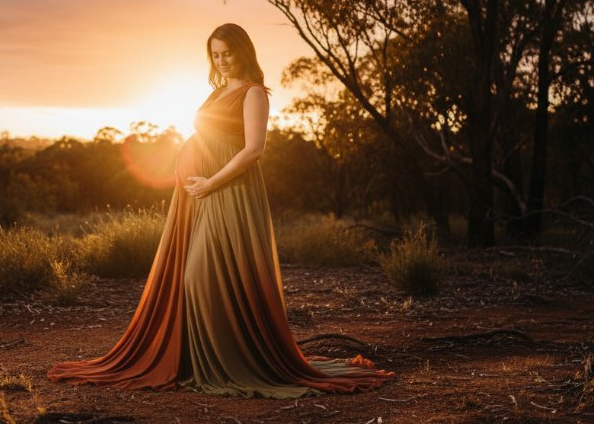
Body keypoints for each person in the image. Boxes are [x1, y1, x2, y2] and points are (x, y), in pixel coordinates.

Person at [48, 23, 394, 398]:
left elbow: (254, 150)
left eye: (228, 53)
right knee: (194, 276)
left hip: (230, 190)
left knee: (199, 276)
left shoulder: (254, 93)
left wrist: (212, 182)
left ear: (243, 51)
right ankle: (196, 361)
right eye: (215, 54)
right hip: (200, 195)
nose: (222, 60)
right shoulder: (216, 93)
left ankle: (227, 362)